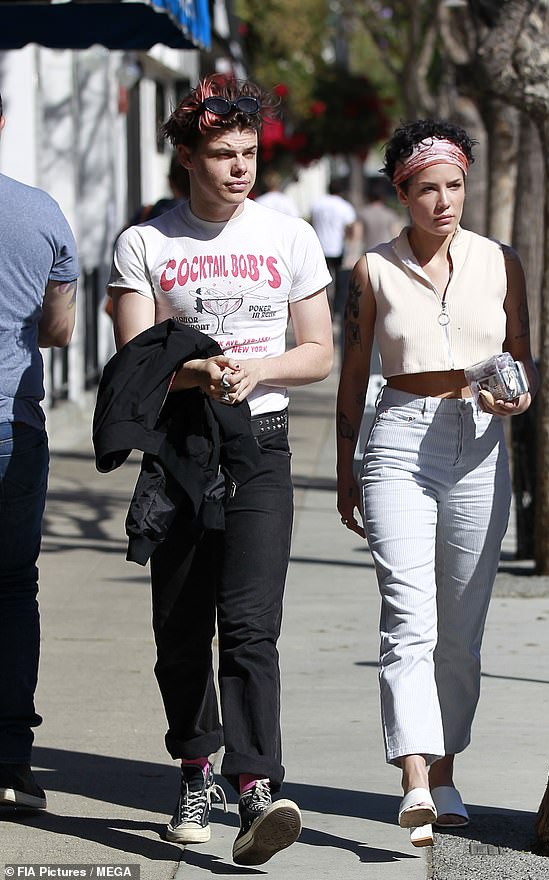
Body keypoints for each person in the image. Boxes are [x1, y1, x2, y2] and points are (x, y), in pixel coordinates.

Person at [107, 74, 333, 866]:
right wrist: (205, 374)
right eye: (223, 155)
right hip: (178, 452)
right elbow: (138, 358)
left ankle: (256, 786)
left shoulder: (288, 235)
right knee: (180, 628)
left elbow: (318, 351)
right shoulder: (147, 242)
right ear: (187, 156)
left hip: (260, 447)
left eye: (249, 154)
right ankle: (196, 769)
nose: (240, 168)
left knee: (249, 627)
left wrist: (258, 367)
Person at [336, 120, 539, 848]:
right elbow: (354, 378)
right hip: (397, 441)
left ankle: (448, 771)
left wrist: (519, 394)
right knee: (409, 617)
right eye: (428, 189)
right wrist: (344, 470)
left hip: (480, 445)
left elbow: (522, 357)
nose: (444, 201)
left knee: (461, 631)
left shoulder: (500, 262)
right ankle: (414, 777)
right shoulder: (371, 271)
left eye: (454, 185)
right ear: (403, 193)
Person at [0, 91, 79, 811]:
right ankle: (11, 764)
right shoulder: (40, 213)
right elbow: (58, 330)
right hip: (12, 424)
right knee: (11, 589)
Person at [310, 178, 357, 317]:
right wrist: (350, 245)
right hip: (337, 248)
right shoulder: (344, 206)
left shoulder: (317, 204)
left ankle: (324, 308)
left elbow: (311, 222)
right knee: (338, 281)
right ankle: (336, 310)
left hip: (319, 247)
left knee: (320, 281)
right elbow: (351, 228)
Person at [357, 177, 402, 251]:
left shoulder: (363, 213)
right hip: (386, 254)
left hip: (368, 253)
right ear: (383, 196)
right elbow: (397, 235)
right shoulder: (390, 214)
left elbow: (357, 236)